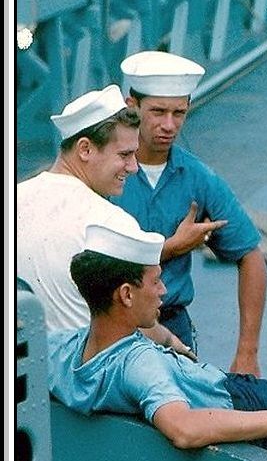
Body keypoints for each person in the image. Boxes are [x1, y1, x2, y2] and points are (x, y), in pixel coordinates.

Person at [48, 221, 267, 461]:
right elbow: (184, 428)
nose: (163, 291)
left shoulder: (64, 349)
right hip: (237, 403)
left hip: (211, 384)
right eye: (155, 281)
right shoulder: (140, 364)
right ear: (126, 294)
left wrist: (169, 341)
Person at [113, 50, 267, 376]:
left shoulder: (198, 178)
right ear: (132, 106)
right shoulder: (106, 175)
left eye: (179, 113)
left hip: (171, 327)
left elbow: (250, 254)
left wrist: (247, 353)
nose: (169, 125)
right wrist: (172, 247)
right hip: (112, 328)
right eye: (157, 112)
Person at [16, 85, 190, 355]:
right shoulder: (110, 223)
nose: (133, 167)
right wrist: (174, 344)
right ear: (84, 149)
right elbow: (137, 319)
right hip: (90, 382)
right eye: (124, 155)